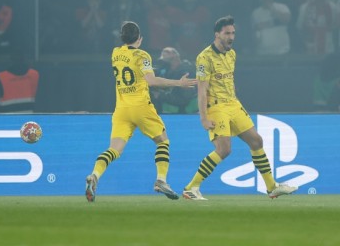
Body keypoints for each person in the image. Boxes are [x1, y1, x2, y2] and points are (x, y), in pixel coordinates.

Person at [182, 15, 298, 201]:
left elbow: (230, 80)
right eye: (227, 33)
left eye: (233, 33)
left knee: (256, 141)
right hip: (216, 107)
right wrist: (203, 117)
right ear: (217, 34)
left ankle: (271, 187)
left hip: (233, 104)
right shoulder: (204, 58)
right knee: (224, 149)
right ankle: (191, 187)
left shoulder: (232, 54)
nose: (231, 37)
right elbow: (202, 89)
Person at [85, 21, 197, 202]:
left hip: (121, 109)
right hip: (141, 106)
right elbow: (151, 81)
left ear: (122, 38)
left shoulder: (116, 53)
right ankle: (161, 180)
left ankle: (94, 175)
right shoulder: (142, 55)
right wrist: (179, 83)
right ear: (140, 38)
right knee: (163, 141)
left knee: (114, 149)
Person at [151, 47, 197, 114]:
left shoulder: (187, 71)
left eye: (167, 52)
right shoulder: (164, 70)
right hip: (166, 111)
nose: (163, 53)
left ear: (175, 54)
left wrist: (160, 95)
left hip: (183, 112)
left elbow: (185, 99)